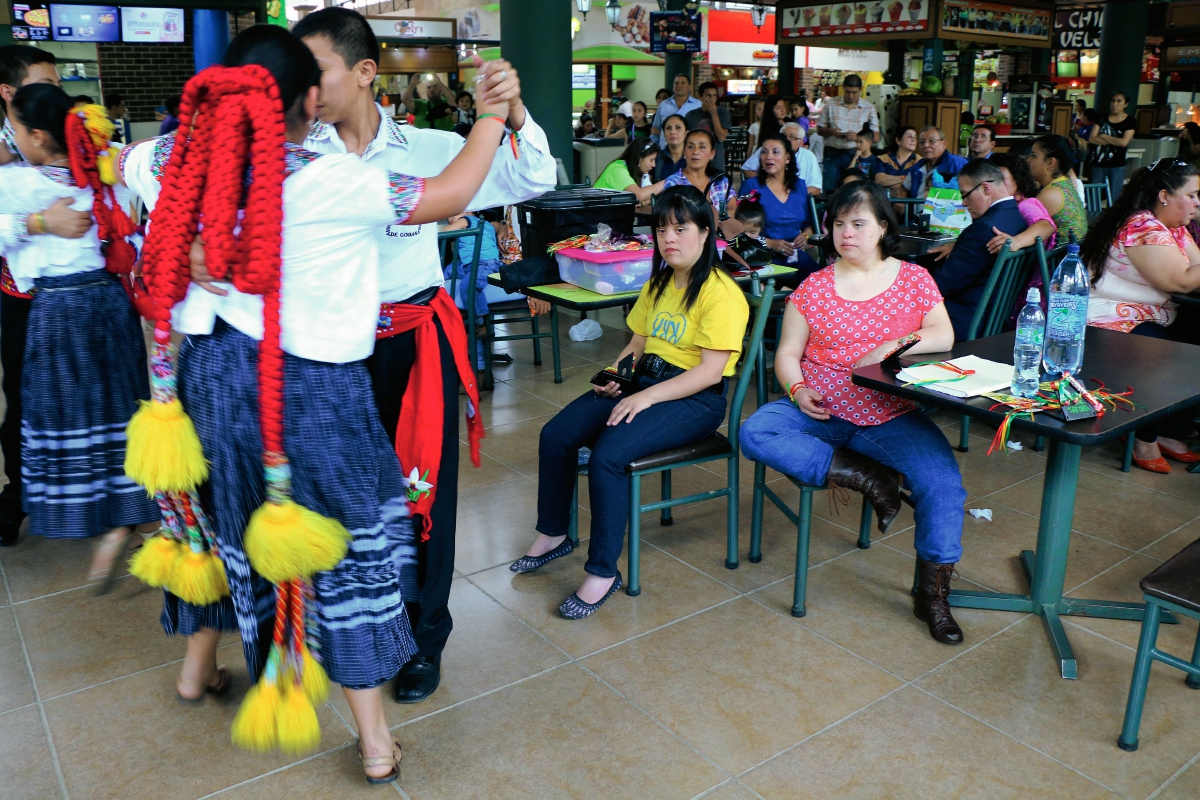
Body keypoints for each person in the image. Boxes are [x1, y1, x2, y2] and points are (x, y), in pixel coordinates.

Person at [123, 23, 510, 782]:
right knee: (346, 555)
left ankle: (219, 670)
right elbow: (457, 191)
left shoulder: (171, 165)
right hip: (316, 391)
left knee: (228, 528)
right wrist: (491, 114)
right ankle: (372, 743)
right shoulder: (340, 182)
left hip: (208, 387)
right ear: (308, 99)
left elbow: (133, 161)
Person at [288, 7, 556, 706]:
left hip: (416, 345)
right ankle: (350, 631)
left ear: (366, 72)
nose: (304, 90)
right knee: (340, 498)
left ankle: (421, 637)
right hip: (329, 352)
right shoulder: (297, 157)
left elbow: (534, 178)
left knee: (421, 496)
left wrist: (512, 111)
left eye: (315, 73)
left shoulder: (432, 148)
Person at [738, 181, 967, 645]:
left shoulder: (913, 279)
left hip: (890, 413)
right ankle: (867, 477)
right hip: (819, 408)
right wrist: (798, 389)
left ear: (883, 227)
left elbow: (943, 334)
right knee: (756, 431)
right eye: (839, 223)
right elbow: (786, 353)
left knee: (943, 485)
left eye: (859, 223)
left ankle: (932, 595)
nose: (847, 233)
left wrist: (894, 345)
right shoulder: (814, 286)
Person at [511, 185, 749, 619]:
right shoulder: (658, 282)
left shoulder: (721, 293)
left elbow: (710, 372)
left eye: (681, 228)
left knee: (608, 455)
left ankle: (603, 571)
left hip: (694, 399)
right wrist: (612, 377)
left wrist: (645, 398)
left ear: (704, 231)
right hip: (645, 380)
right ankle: (553, 533)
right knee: (557, 434)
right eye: (661, 229)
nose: (669, 238)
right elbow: (637, 343)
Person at [0, 85, 161, 585]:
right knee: (121, 409)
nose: (11, 136)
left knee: (69, 415)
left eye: (15, 128)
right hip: (110, 304)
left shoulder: (15, 185)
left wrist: (34, 222)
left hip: (59, 310)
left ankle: (103, 524)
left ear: (38, 135)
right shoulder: (104, 173)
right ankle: (132, 519)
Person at [0, 45, 94, 549]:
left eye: (59, 84)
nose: (57, 93)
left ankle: (92, 496)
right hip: (22, 297)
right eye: (47, 83)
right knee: (25, 397)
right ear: (9, 92)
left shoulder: (76, 138)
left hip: (81, 300)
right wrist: (38, 222)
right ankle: (21, 495)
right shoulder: (6, 154)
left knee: (90, 394)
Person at [1079, 159, 1200, 472]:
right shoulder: (1142, 227)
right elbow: (1182, 281)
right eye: (1193, 195)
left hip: (1149, 316)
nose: (1197, 203)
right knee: (1176, 354)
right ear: (1164, 196)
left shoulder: (1174, 229)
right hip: (1105, 323)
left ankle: (1165, 431)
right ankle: (1143, 435)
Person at [920, 158, 1027, 340]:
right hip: (996, 318)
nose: (963, 203)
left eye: (965, 194)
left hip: (967, 322)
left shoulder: (983, 228)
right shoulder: (1017, 216)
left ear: (985, 188)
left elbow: (942, 285)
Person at [737, 134, 817, 274]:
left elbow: (808, 225)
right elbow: (738, 231)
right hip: (762, 257)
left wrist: (804, 237)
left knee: (819, 281)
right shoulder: (751, 186)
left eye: (775, 152)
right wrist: (769, 243)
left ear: (787, 158)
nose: (769, 156)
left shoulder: (799, 186)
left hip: (794, 256)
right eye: (764, 151)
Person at [816, 74, 880, 191]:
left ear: (860, 90)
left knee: (853, 191)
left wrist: (858, 137)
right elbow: (819, 130)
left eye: (854, 92)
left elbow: (876, 137)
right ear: (843, 88)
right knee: (830, 190)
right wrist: (831, 131)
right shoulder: (831, 104)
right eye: (847, 92)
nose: (851, 96)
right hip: (833, 153)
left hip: (856, 154)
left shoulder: (868, 108)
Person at [1028, 134, 1089, 245]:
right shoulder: (1064, 183)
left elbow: (1025, 232)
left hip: (1059, 260)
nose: (1028, 160)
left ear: (1051, 162)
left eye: (1034, 156)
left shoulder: (1050, 194)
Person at [663, 129, 734, 224]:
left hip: (721, 236)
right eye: (691, 147)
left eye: (702, 147)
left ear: (712, 154)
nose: (695, 152)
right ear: (684, 151)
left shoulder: (721, 180)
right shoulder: (674, 182)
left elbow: (733, 207)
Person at [742, 122, 822, 195]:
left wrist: (792, 194)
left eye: (792, 137)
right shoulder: (767, 150)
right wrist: (766, 183)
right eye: (783, 136)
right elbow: (747, 169)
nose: (786, 139)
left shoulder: (809, 156)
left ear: (800, 142)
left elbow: (816, 188)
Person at [1089, 91, 1136, 198]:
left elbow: (1123, 142)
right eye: (1113, 101)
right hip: (1097, 162)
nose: (1115, 104)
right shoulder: (1101, 118)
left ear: (1126, 104)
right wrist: (1116, 140)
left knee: (1115, 195)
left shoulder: (1130, 121)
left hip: (1117, 164)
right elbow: (1092, 138)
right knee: (1094, 195)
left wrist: (1105, 136)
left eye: (1119, 101)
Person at [594, 137, 665, 206]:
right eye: (651, 160)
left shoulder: (641, 171)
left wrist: (643, 202)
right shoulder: (616, 169)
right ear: (639, 158)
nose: (654, 165)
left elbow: (651, 196)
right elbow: (639, 195)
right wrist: (667, 182)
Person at [906, 126, 968, 200]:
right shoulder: (917, 166)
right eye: (922, 142)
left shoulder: (958, 164)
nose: (926, 145)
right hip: (916, 211)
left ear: (944, 144)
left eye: (932, 141)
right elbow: (904, 188)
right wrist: (901, 194)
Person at [685, 81, 731, 172]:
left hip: (716, 161)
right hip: (696, 160)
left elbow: (721, 137)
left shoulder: (723, 113)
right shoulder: (691, 115)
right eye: (708, 96)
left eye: (714, 96)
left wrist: (714, 114)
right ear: (700, 96)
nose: (712, 99)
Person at [650, 73, 701, 147]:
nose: (679, 85)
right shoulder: (664, 105)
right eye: (676, 83)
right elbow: (655, 129)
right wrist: (655, 148)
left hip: (689, 150)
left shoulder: (698, 105)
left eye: (683, 83)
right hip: (664, 149)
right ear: (673, 87)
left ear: (689, 87)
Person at [873, 125, 920, 198]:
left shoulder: (919, 160)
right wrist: (906, 178)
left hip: (911, 204)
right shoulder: (883, 159)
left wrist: (893, 184)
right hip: (885, 201)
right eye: (910, 136)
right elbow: (880, 180)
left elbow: (919, 181)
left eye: (915, 138)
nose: (913, 140)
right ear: (898, 140)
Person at [654, 113, 688, 182]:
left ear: (686, 133)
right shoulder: (655, 158)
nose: (673, 132)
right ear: (664, 133)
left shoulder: (694, 159)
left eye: (678, 127)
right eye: (668, 128)